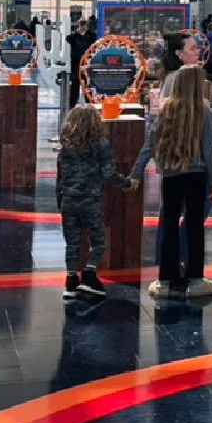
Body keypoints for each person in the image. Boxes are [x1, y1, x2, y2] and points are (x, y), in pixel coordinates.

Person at [131, 65, 212, 301]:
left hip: (171, 175)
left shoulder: (166, 110)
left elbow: (149, 145)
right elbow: (208, 152)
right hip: (197, 176)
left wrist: (136, 173)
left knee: (169, 225)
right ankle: (195, 279)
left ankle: (165, 280)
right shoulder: (204, 112)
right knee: (194, 227)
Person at [57, 104, 132, 300]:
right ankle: (89, 274)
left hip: (68, 200)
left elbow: (60, 177)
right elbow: (108, 174)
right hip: (90, 199)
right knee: (98, 241)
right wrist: (126, 182)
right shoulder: (101, 145)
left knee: (72, 243)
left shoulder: (65, 148)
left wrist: (60, 201)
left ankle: (71, 281)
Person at [159, 31, 201, 98]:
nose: (198, 52)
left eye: (197, 48)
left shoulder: (178, 75)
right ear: (179, 53)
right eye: (192, 49)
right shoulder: (179, 78)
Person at [67, 20, 90, 107]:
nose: (83, 26)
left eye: (84, 24)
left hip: (87, 64)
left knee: (87, 85)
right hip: (76, 64)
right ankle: (72, 105)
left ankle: (89, 104)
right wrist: (77, 32)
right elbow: (68, 38)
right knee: (75, 85)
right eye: (81, 24)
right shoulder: (74, 36)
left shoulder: (91, 35)